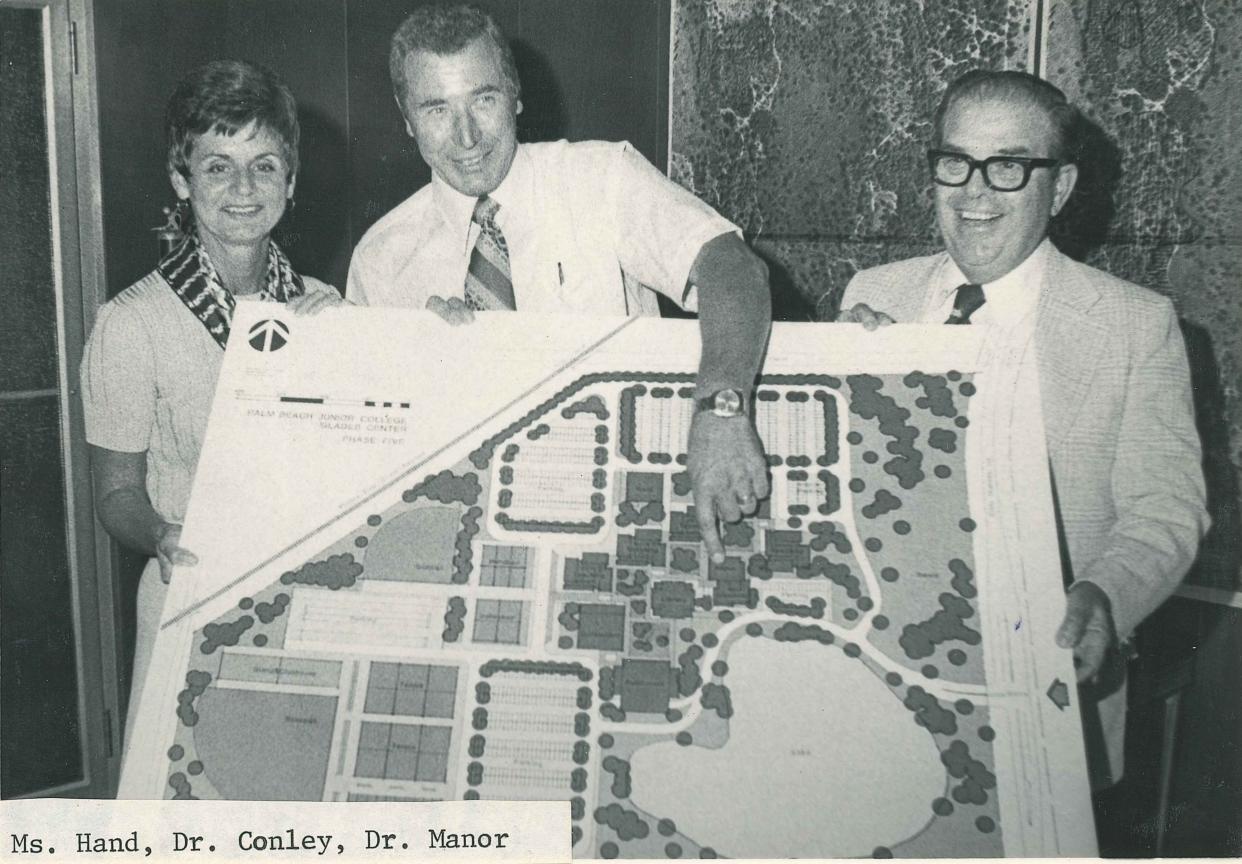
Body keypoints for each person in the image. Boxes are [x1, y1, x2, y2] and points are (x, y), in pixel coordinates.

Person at [838, 70, 1208, 788]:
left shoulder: (1135, 325)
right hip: (877, 685)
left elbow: (1166, 509)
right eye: (956, 162)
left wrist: (1103, 597)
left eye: (1007, 167)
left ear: (1060, 188)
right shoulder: (871, 296)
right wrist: (831, 378)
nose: (974, 193)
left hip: (1046, 692)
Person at [347, 3, 772, 560]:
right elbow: (366, 444)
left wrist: (722, 408)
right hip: (464, 536)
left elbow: (733, 267)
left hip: (616, 511)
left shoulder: (601, 178)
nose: (467, 135)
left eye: (484, 99)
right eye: (436, 109)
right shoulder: (379, 258)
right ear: (406, 119)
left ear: (517, 96)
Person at [81, 60, 342, 748]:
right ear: (181, 179)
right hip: (189, 595)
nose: (243, 188)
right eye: (217, 166)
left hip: (311, 601)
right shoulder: (131, 323)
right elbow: (115, 495)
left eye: (264, 164)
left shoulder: (328, 307)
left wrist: (344, 342)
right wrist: (162, 534)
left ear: (291, 179)